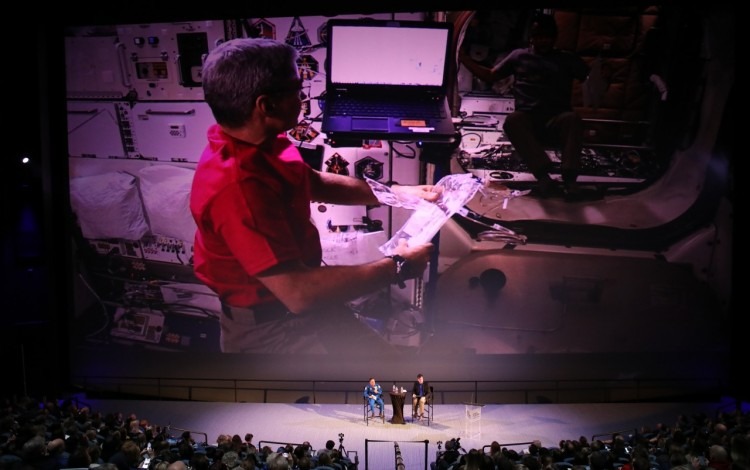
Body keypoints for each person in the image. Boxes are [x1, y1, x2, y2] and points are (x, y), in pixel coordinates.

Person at [190, 37, 440, 354]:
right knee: (380, 392)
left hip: (305, 307)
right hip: (275, 330)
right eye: (297, 89)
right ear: (267, 105)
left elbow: (313, 181)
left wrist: (397, 194)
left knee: (391, 375)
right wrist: (399, 267)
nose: (304, 96)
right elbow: (299, 293)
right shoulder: (238, 188)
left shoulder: (257, 141)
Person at [458, 13, 591, 200]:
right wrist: (463, 58)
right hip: (528, 120)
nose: (542, 41)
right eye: (538, 36)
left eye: (546, 37)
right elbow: (490, 75)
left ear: (554, 38)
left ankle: (570, 181)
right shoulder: (519, 56)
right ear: (531, 37)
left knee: (573, 119)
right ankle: (544, 178)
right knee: (513, 120)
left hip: (557, 119)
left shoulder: (566, 59)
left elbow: (590, 77)